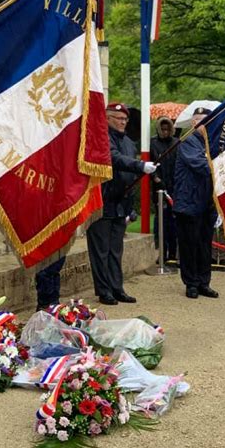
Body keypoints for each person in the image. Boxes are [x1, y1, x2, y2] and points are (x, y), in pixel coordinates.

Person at [86, 102, 157, 305]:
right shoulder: (100, 137)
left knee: (116, 249)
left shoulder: (128, 142)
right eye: (119, 118)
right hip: (102, 200)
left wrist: (130, 204)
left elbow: (127, 171)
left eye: (125, 119)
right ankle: (103, 290)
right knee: (101, 250)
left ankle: (117, 288)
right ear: (107, 118)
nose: (123, 122)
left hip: (120, 202)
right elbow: (113, 158)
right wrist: (140, 165)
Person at [173, 107, 219, 299]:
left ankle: (203, 282)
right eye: (202, 121)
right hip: (189, 203)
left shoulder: (212, 143)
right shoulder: (188, 141)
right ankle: (191, 283)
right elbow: (202, 166)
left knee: (204, 245)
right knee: (189, 245)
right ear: (194, 123)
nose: (206, 125)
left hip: (206, 203)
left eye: (209, 121)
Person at [150, 116, 179, 266]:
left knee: (173, 222)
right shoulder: (153, 143)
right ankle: (162, 252)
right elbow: (149, 163)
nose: (166, 131)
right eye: (163, 129)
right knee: (161, 223)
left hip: (174, 188)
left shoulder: (176, 143)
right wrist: (155, 178)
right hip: (159, 189)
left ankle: (173, 253)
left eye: (168, 129)